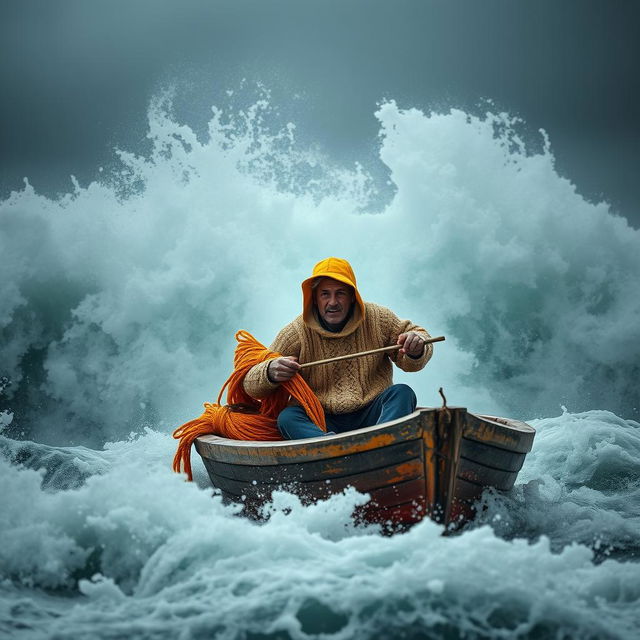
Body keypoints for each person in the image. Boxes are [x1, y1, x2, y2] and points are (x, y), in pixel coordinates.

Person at [243, 257, 433, 439]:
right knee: (288, 418)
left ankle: (381, 440)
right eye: (325, 294)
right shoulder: (296, 332)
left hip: (374, 413)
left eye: (340, 293)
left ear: (352, 296)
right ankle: (331, 447)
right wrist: (270, 372)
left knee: (402, 393)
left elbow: (416, 351)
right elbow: (251, 385)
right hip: (321, 419)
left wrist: (416, 347)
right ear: (314, 299)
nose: (332, 302)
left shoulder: (378, 318)